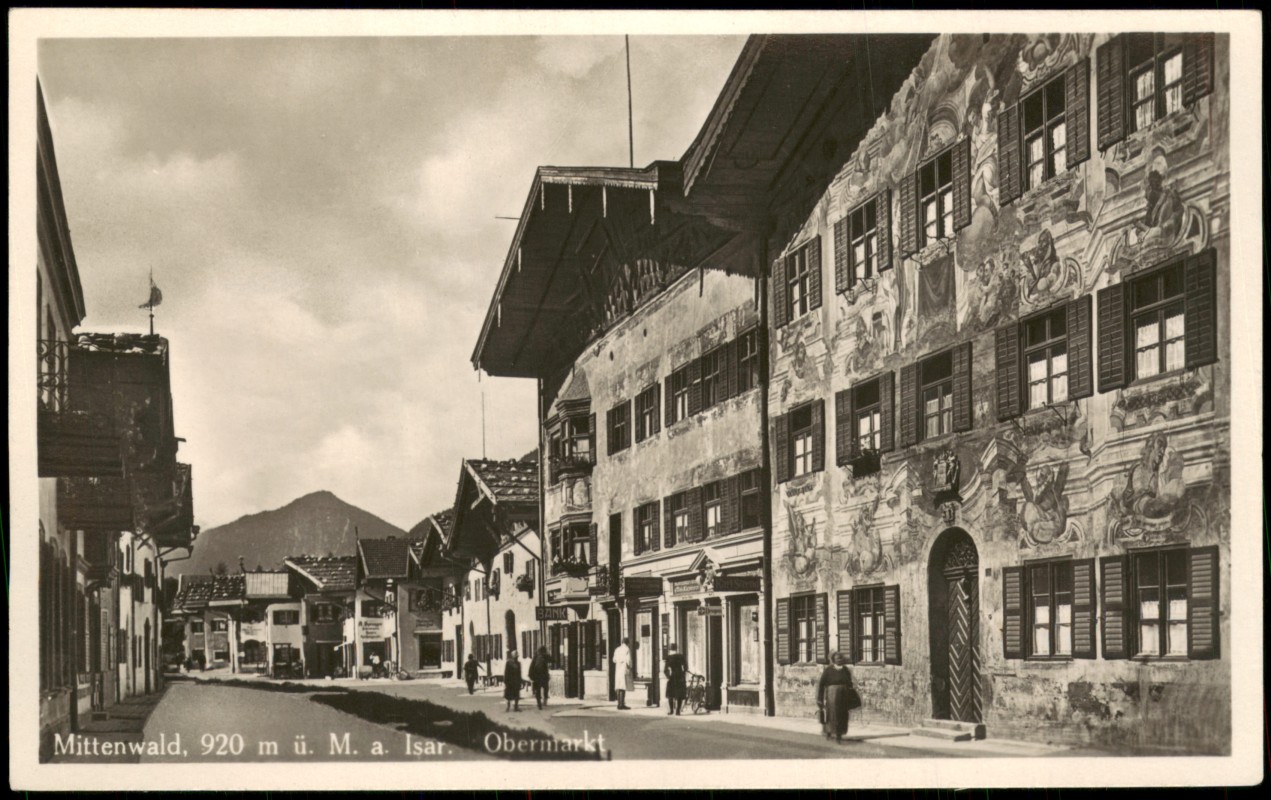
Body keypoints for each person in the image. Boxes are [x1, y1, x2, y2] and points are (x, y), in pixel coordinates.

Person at [817, 651, 856, 743]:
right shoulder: (829, 670)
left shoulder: (845, 670)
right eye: (837, 658)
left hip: (843, 695)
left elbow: (849, 682)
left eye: (841, 658)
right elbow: (822, 684)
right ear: (833, 660)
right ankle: (829, 732)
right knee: (832, 714)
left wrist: (850, 691)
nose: (839, 660)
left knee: (842, 715)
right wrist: (820, 698)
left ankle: (839, 735)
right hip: (832, 695)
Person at [663, 643, 688, 716]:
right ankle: (678, 711)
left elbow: (665, 670)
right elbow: (686, 667)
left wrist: (668, 677)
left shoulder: (669, 658)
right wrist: (683, 674)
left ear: (670, 649)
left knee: (670, 694)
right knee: (679, 694)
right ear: (676, 648)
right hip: (680, 676)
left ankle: (671, 710)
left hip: (672, 677)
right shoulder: (681, 656)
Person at [611, 638, 633, 710]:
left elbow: (614, 660)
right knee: (623, 687)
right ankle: (622, 704)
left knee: (619, 687)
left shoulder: (617, 649)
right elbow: (628, 660)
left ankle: (619, 704)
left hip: (618, 670)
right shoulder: (627, 649)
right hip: (624, 669)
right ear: (627, 643)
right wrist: (630, 666)